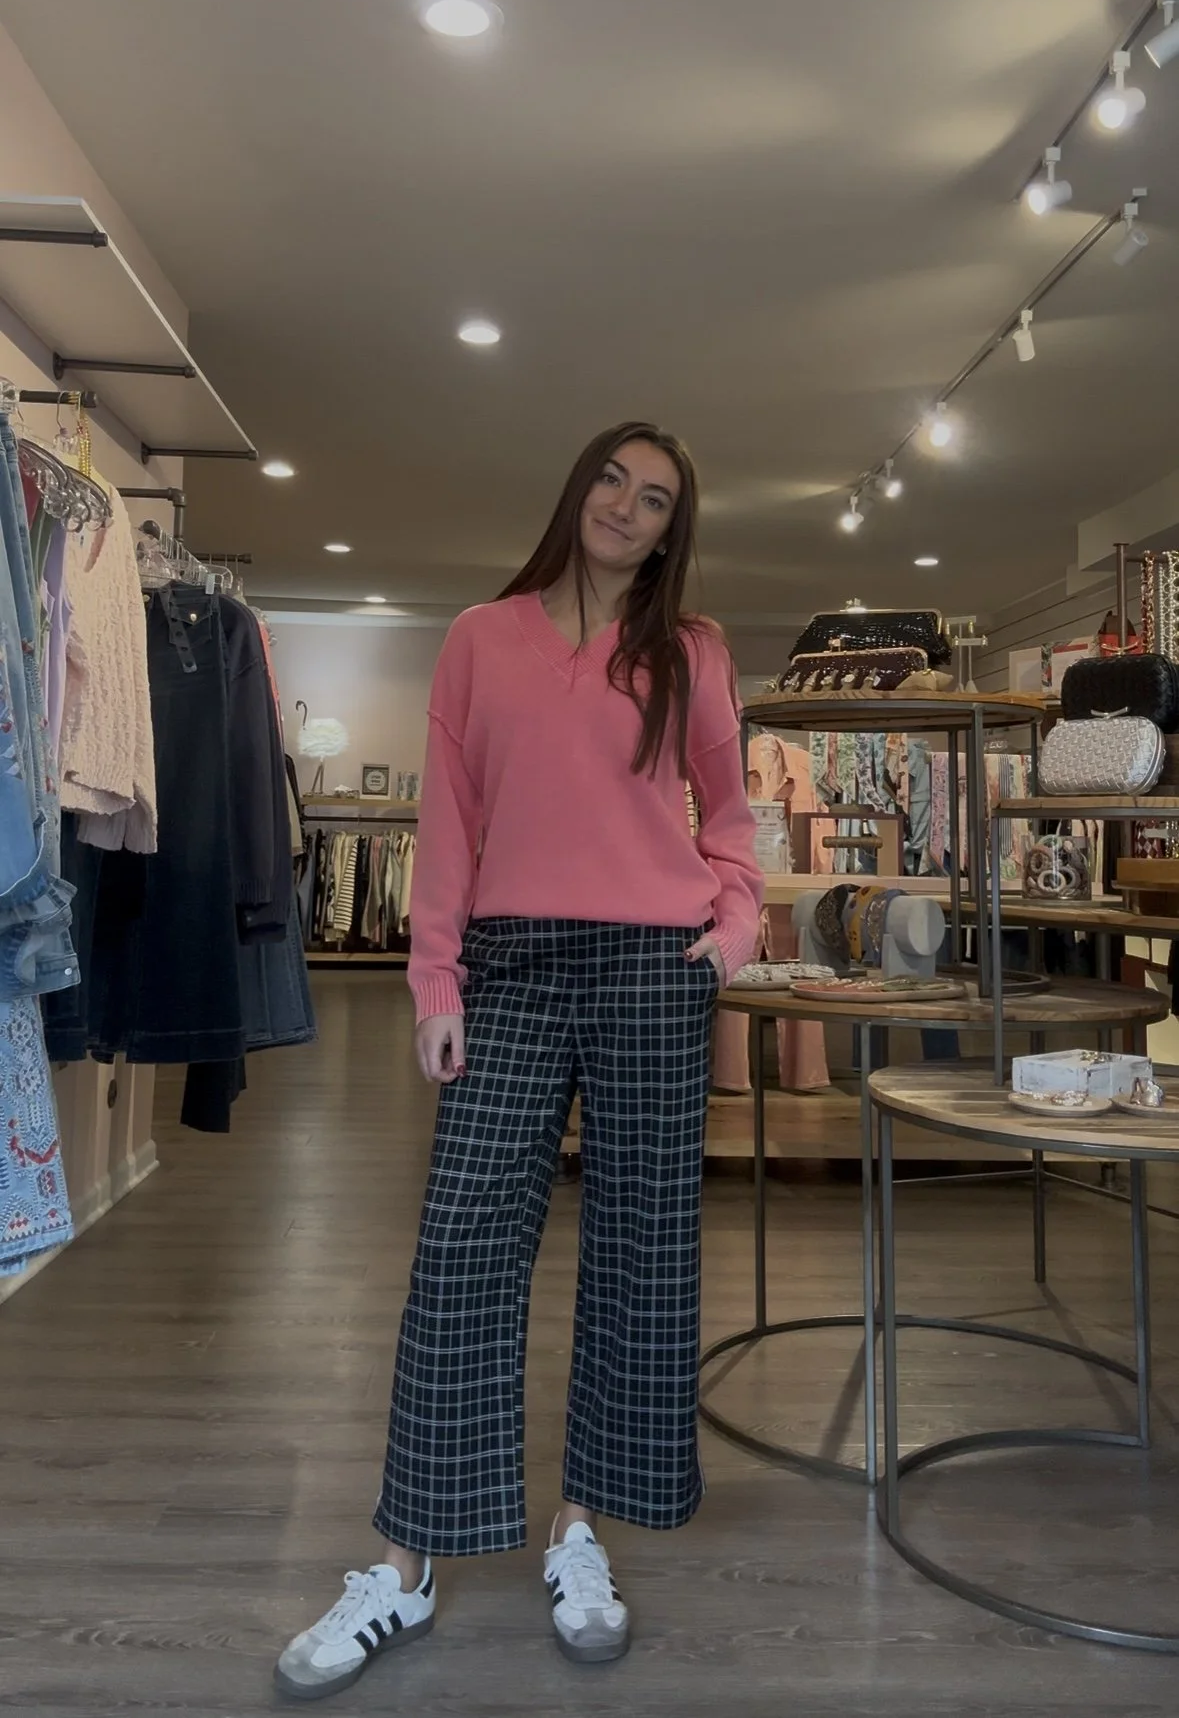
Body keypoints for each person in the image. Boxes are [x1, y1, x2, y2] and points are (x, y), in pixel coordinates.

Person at [274, 422, 761, 1701]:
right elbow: (452, 823)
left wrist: (732, 935)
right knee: (463, 1249)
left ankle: (579, 1533)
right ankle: (405, 1566)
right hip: (512, 963)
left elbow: (732, 815)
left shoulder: (691, 653)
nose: (627, 505)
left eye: (656, 499)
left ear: (670, 530)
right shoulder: (480, 638)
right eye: (614, 477)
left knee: (642, 1249)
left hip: (656, 966)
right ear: (579, 487)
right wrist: (435, 978)